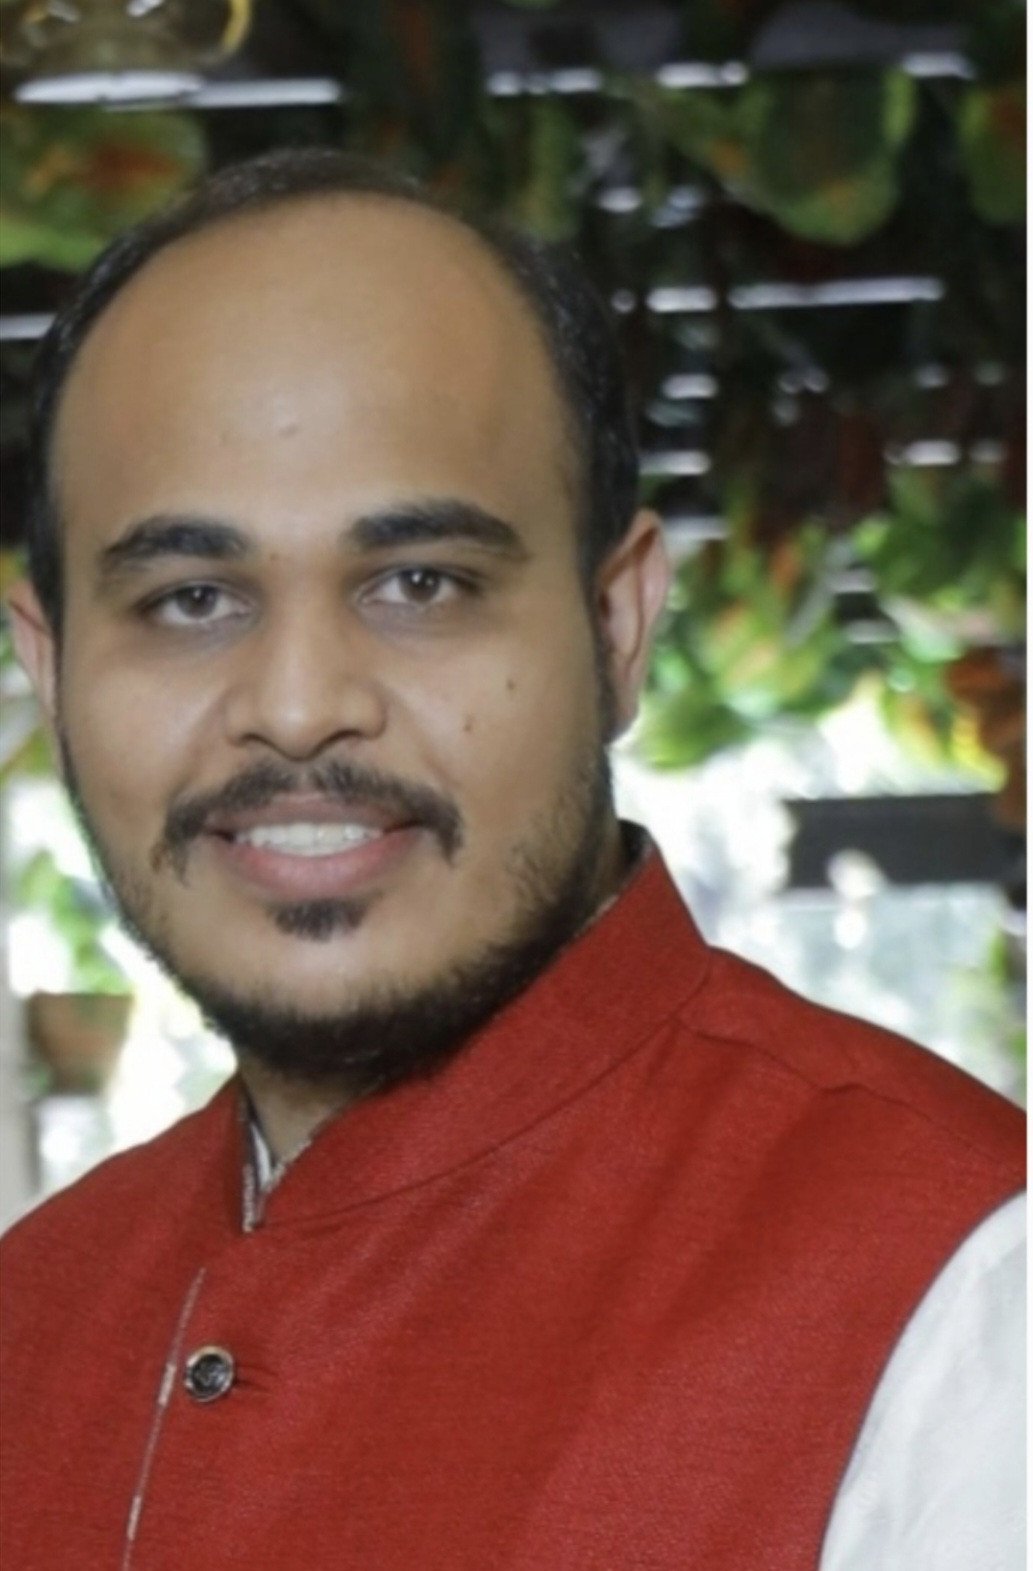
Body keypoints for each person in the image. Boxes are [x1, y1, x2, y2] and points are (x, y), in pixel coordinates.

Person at [0, 148, 1023, 1571]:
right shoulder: (31, 1311)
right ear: (48, 669)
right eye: (188, 600)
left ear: (618, 628)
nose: (297, 705)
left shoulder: (965, 1298)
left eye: (419, 583)